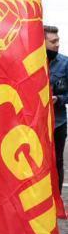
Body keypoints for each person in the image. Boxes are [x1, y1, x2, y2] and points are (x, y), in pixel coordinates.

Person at [46, 25, 68, 193]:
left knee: (57, 161)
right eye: (53, 41)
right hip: (34, 125)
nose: (57, 44)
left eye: (58, 40)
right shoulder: (29, 64)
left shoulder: (65, 63)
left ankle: (57, 198)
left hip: (58, 123)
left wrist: (59, 99)